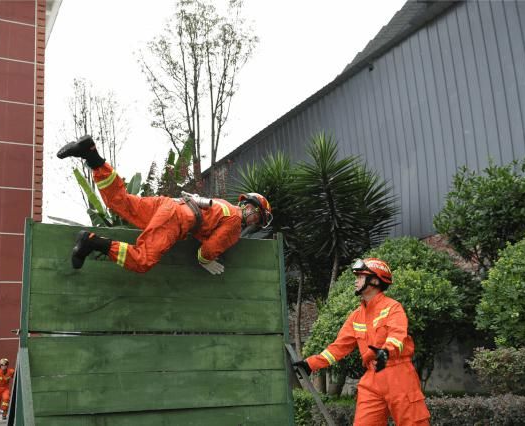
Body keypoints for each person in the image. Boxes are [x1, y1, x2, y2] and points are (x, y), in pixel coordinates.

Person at [56, 135, 272, 274]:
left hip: (170, 205)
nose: (253, 221)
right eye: (256, 217)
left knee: (120, 202)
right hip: (177, 219)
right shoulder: (234, 224)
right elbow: (207, 250)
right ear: (250, 208)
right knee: (142, 260)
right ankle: (91, 242)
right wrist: (206, 261)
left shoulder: (225, 206)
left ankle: (91, 154)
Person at [293, 258, 430, 426]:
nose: (356, 281)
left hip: (399, 375)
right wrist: (311, 364)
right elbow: (338, 347)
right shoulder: (356, 316)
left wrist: (385, 352)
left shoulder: (393, 308)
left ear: (374, 280)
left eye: (360, 276)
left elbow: (397, 336)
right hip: (372, 378)